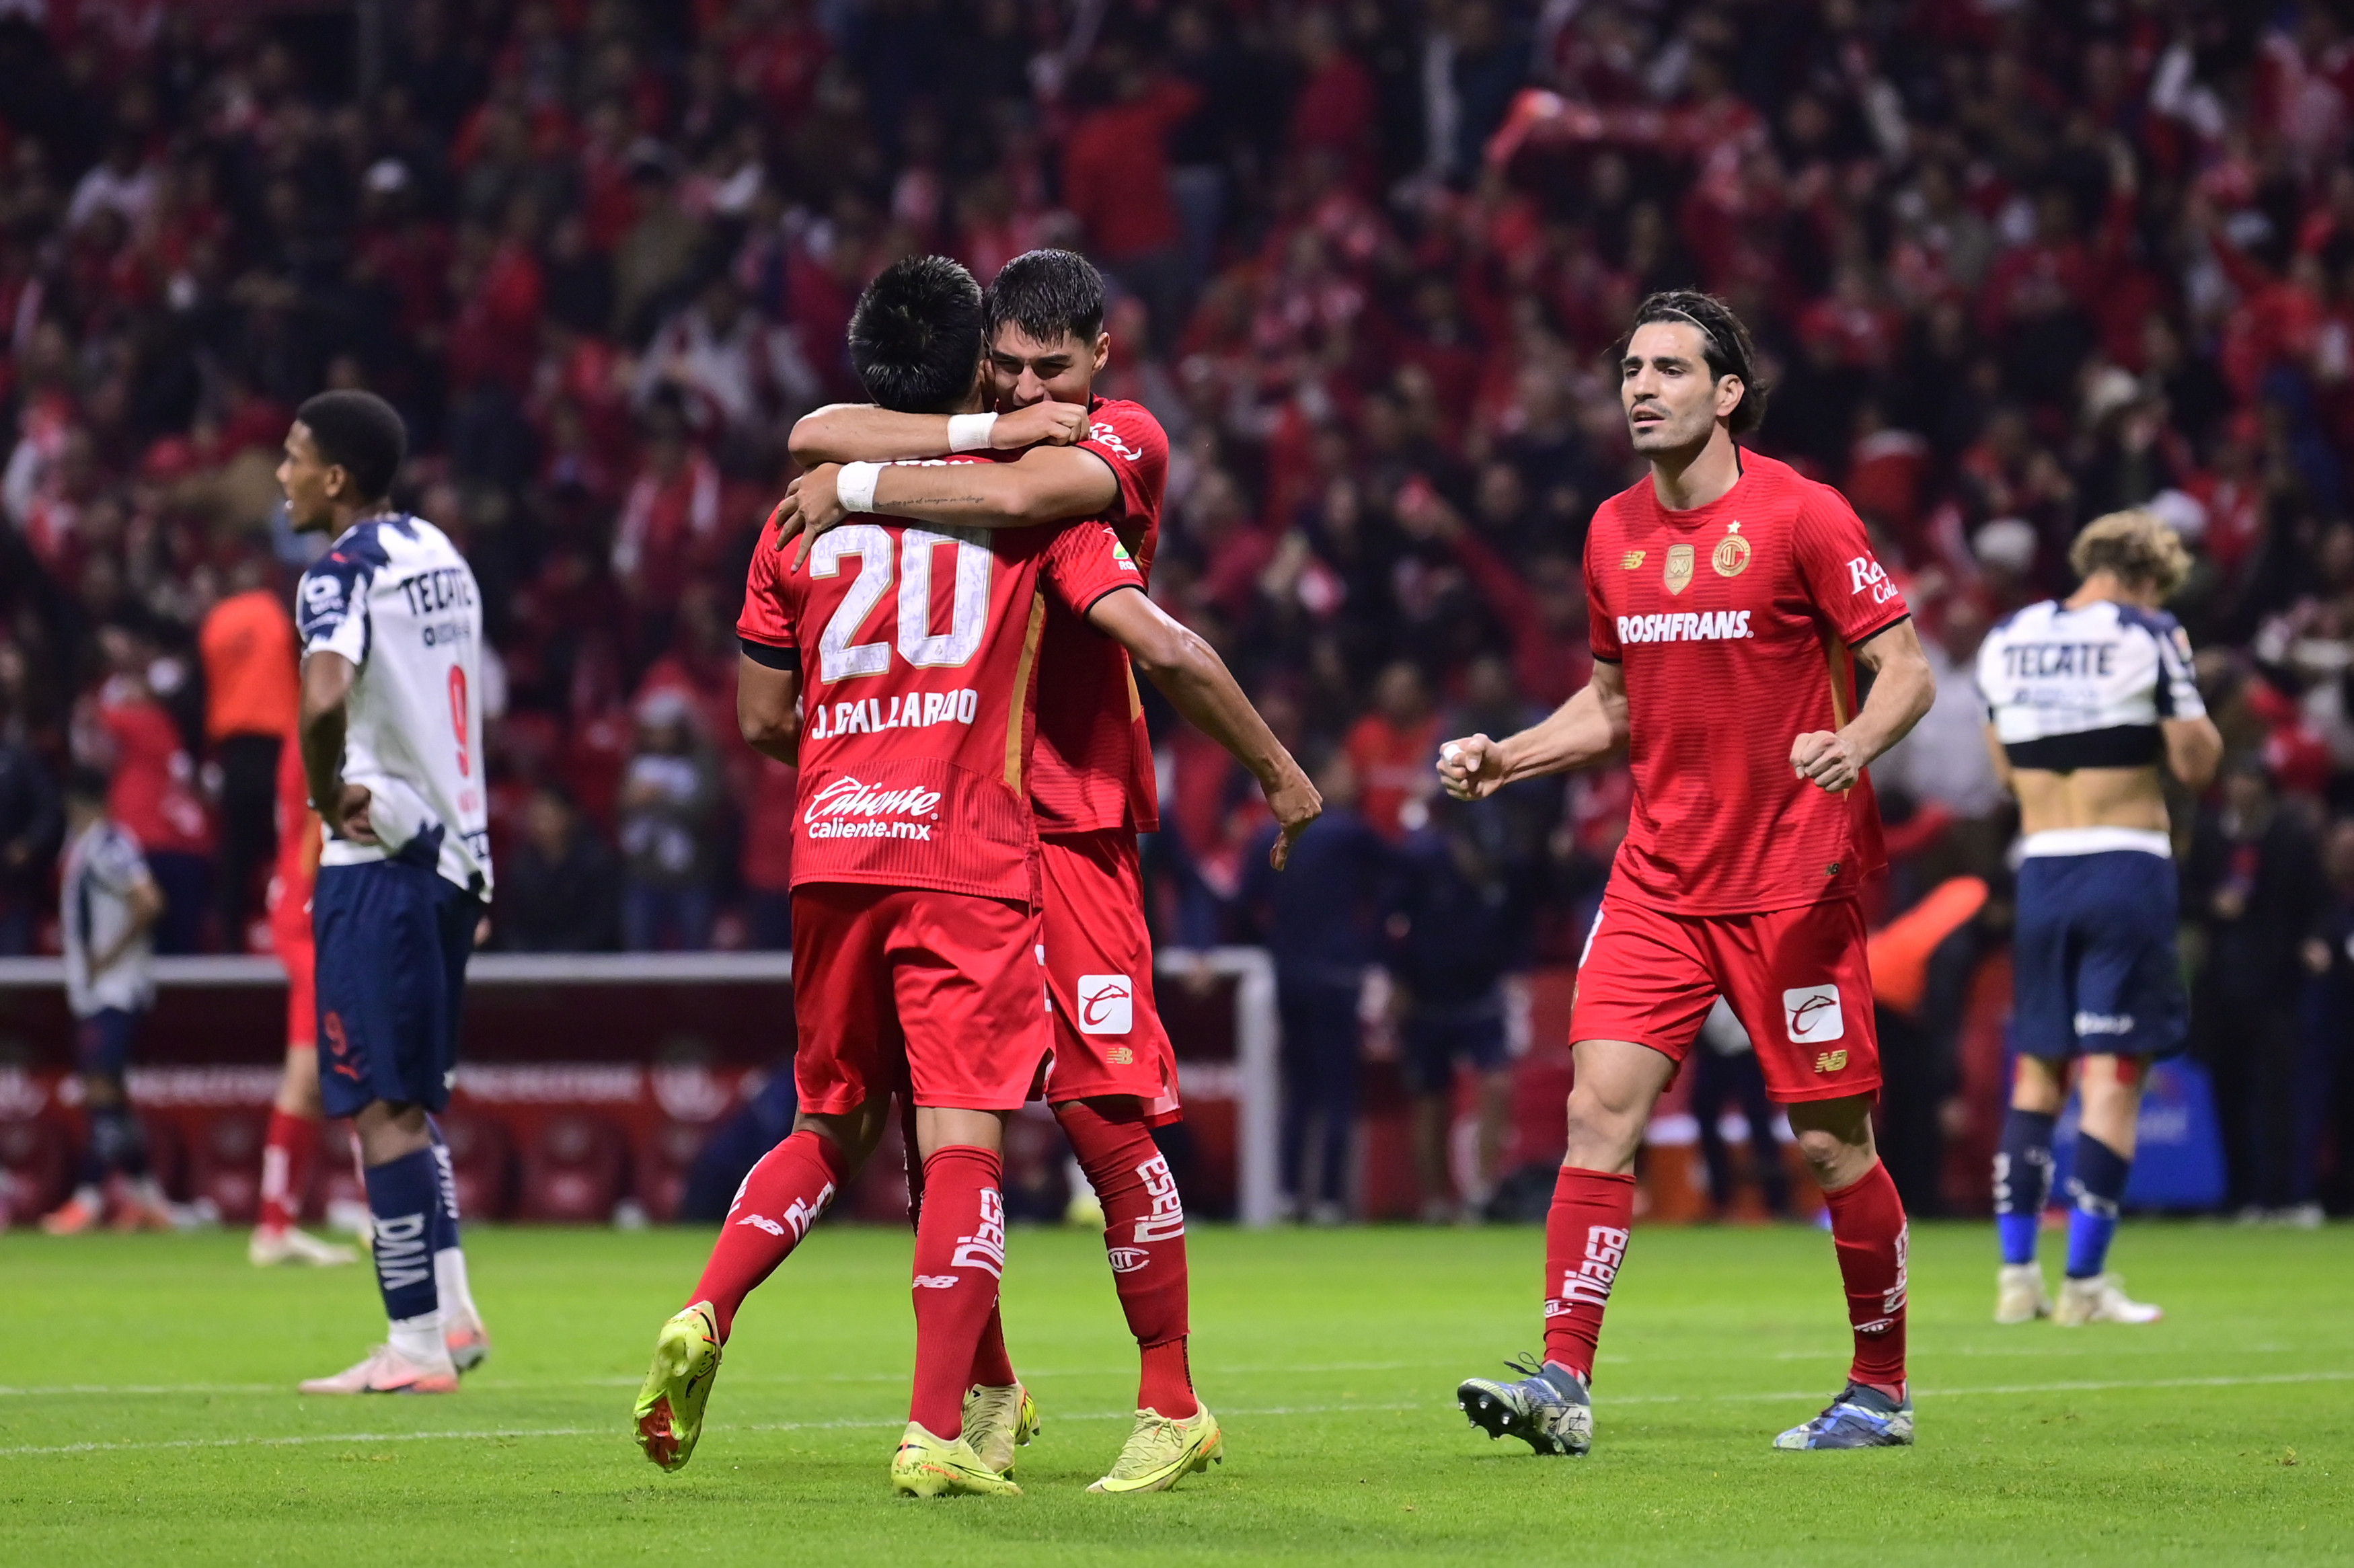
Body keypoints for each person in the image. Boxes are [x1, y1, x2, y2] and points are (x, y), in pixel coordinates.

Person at [631, 255, 1316, 1497]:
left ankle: (1171, 1399)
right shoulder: (986, 449)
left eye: (1055, 370)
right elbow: (825, 435)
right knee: (944, 1125)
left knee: (1097, 1106)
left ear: (1103, 356)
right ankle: (979, 1391)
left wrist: (858, 487)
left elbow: (1035, 503)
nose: (1032, 388)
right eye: (1008, 366)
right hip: (966, 819)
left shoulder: (1112, 448)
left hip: (1063, 818)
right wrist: (914, 454)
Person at [1437, 290, 1936, 1455]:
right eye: (1629, 368)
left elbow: (1903, 667)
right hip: (1660, 879)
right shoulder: (1611, 531)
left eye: (1670, 368)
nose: (1641, 387)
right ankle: (1562, 1380)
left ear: (1726, 393)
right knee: (1595, 1115)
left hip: (1795, 882)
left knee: (1831, 1147)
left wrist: (1855, 743)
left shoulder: (1804, 516)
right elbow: (1613, 705)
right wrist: (1510, 756)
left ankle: (1881, 1388)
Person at [280, 389, 493, 1395]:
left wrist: (326, 796)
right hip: (452, 856)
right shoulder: (438, 553)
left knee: (380, 1108)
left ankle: (410, 1348)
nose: (279, 475)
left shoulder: (340, 571)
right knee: (412, 1098)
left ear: (334, 478)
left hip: (381, 863)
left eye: (292, 457)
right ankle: (450, 1318)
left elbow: (325, 695)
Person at [1978, 508, 2222, 1326]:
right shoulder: (2149, 632)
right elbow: (2196, 762)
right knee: (2111, 1077)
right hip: (2124, 863)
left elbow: (2002, 772)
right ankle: (2083, 1283)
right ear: (2147, 574)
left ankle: (2017, 1280)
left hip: (2042, 867)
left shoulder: (2007, 636)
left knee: (2035, 1072)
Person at [248, 712, 360, 1267]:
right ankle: (381, 1217)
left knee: (318, 1077)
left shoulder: (320, 727)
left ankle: (278, 1224)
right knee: (329, 1067)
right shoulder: (317, 730)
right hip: (312, 913)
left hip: (323, 913)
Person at [42, 765, 173, 1234]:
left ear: (80, 805)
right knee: (111, 1093)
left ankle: (90, 1195)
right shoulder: (87, 848)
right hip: (98, 991)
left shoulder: (110, 845)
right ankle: (146, 1194)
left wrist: (108, 955)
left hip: (114, 989)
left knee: (100, 1087)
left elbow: (150, 901)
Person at [1388, 792, 1526, 1223]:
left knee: (1497, 1085)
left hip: (1481, 996)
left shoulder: (1506, 873)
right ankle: (1435, 1201)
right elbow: (1390, 923)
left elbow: (1518, 933)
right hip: (1428, 997)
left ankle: (1482, 1193)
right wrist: (1397, 981)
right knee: (1432, 1100)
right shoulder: (1421, 863)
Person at [198, 543, 301, 951]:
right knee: (286, 846)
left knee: (236, 853)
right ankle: (290, 932)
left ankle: (229, 942)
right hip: (279, 749)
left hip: (234, 753)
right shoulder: (277, 615)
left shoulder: (215, 623)